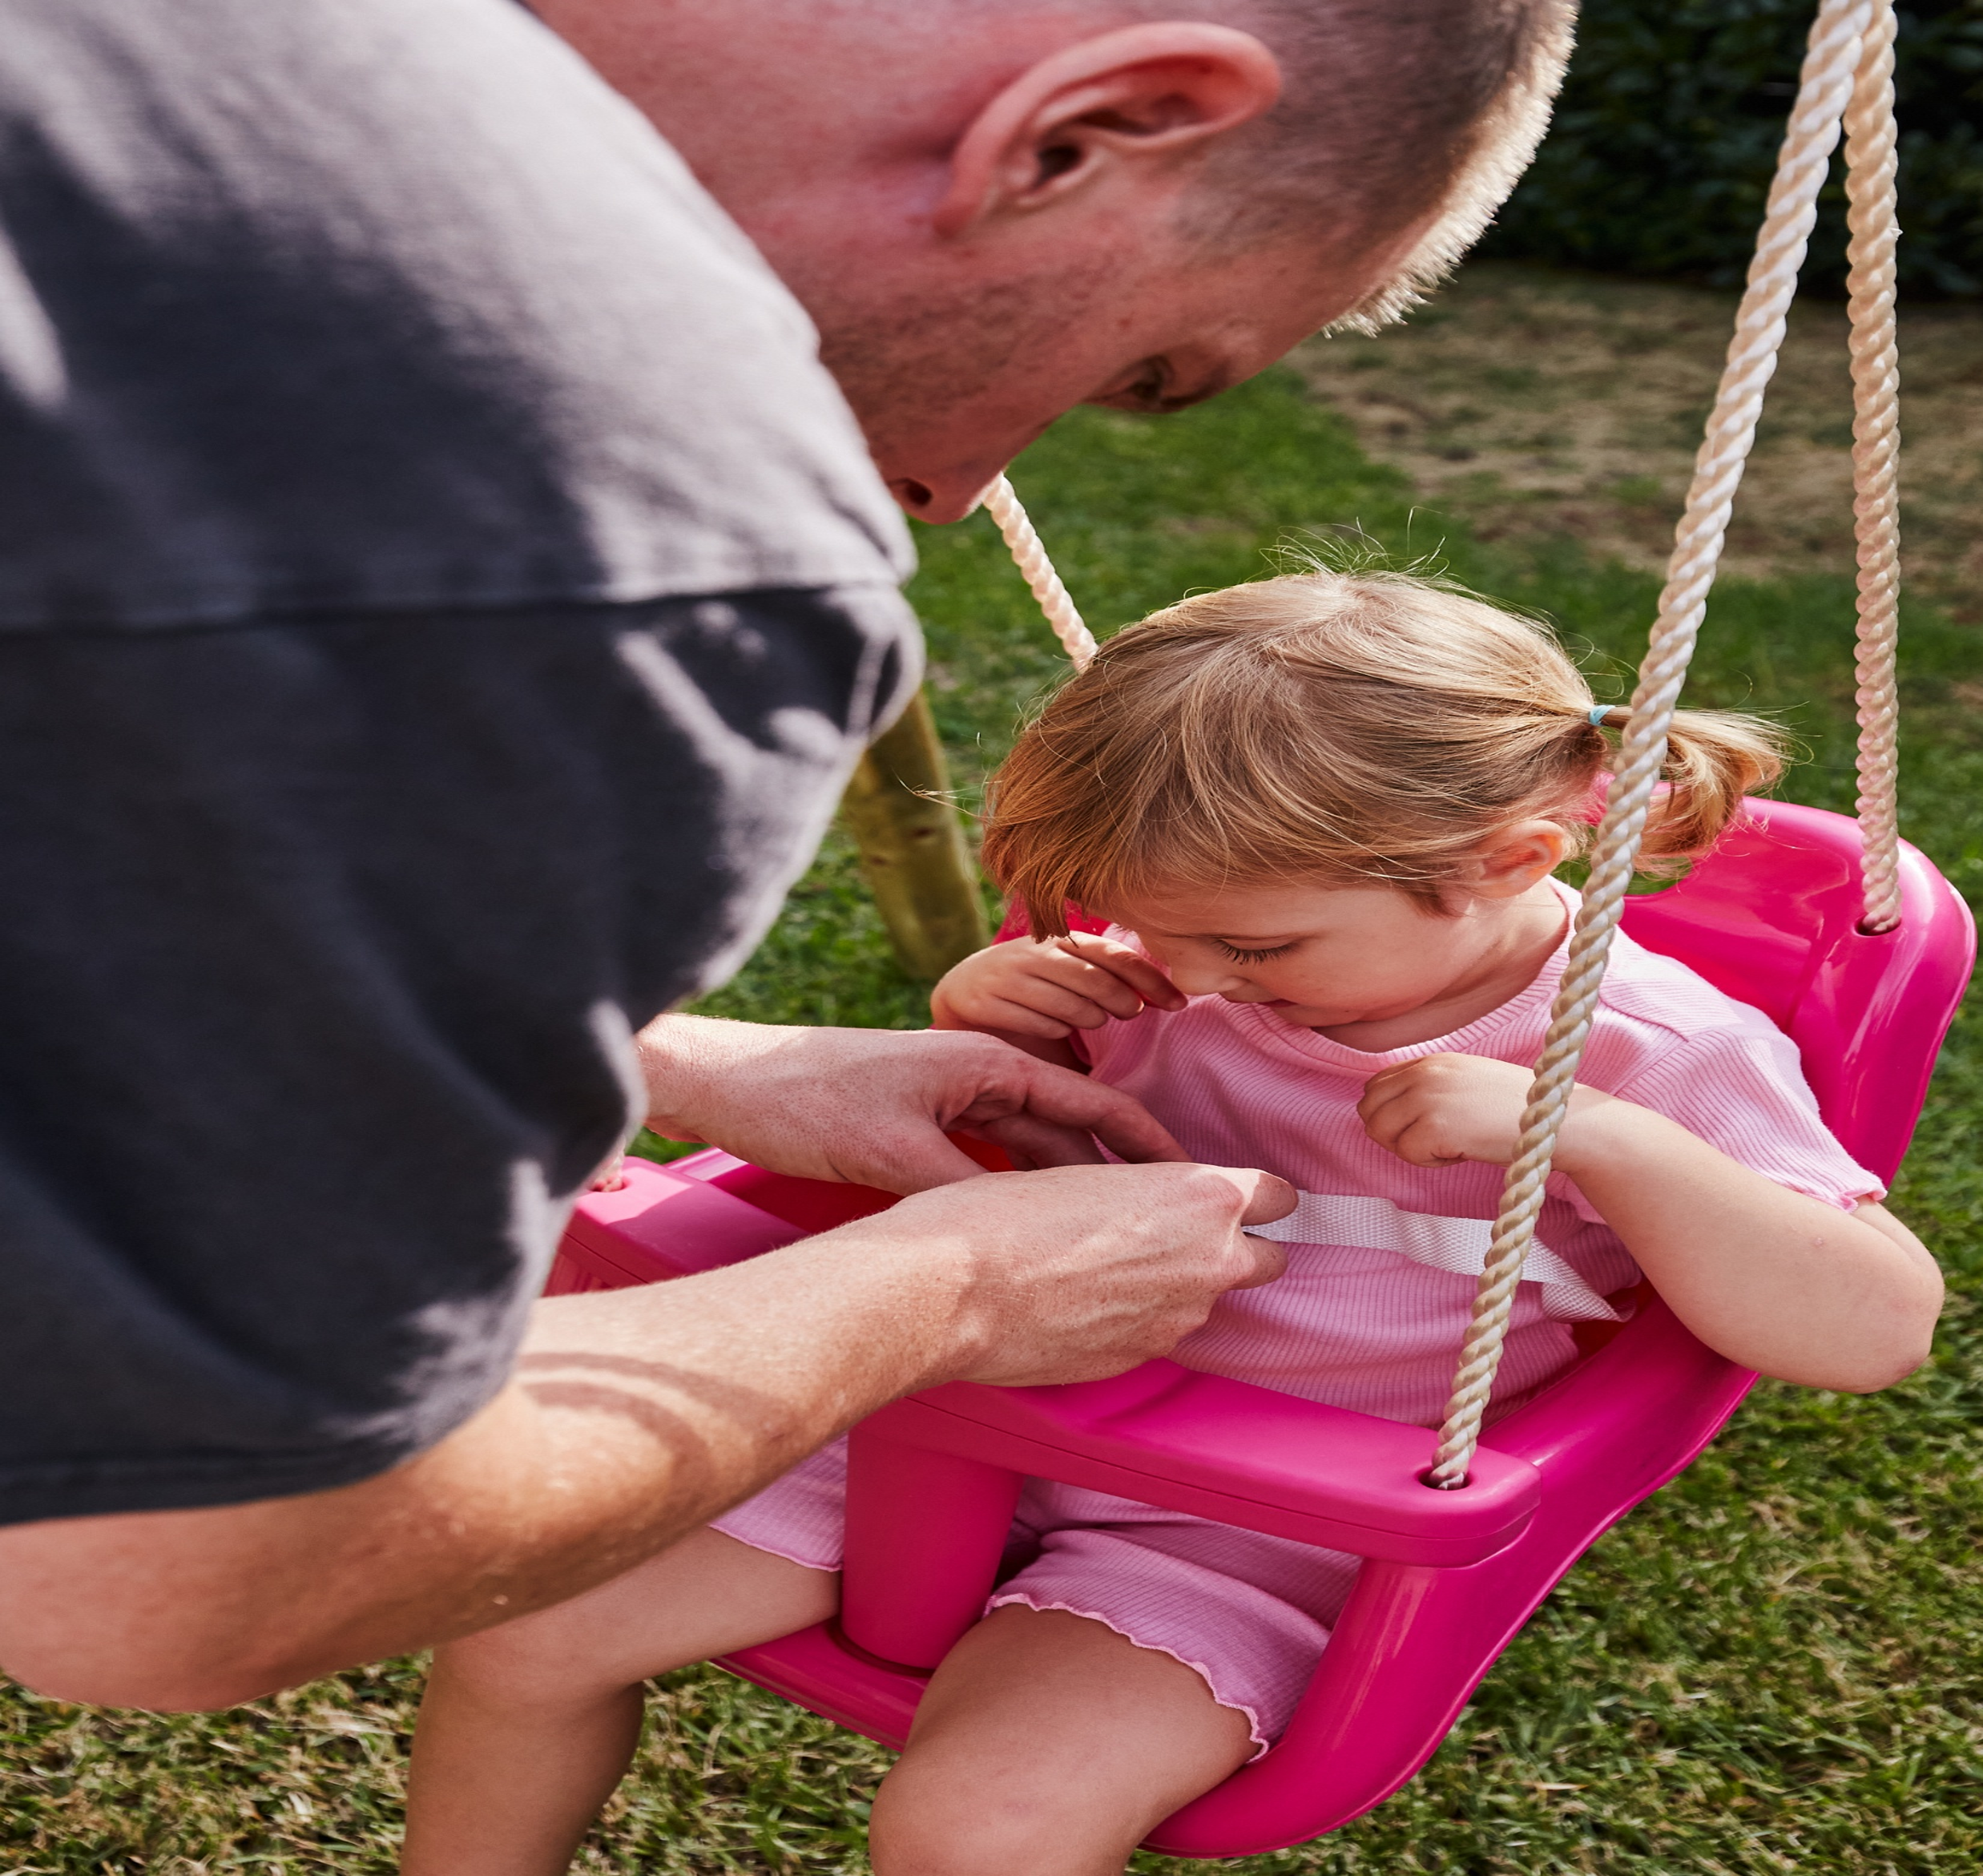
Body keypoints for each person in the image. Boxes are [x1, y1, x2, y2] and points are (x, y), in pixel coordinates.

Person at [0, 0, 1577, 1709]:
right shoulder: (615, 543)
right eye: (1148, 372)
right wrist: (943, 1290)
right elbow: (170, 1560)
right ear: (1095, 129)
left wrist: (687, 1061)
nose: (950, 493)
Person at [399, 567, 1941, 1876]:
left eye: (1251, 949)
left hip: (1242, 1530)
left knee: (979, 1828)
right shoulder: (1179, 965)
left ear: (1507, 864)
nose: (1192, 982)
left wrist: (1591, 1136)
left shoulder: (1650, 1054)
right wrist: (999, 1026)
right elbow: (1024, 1143)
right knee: (525, 1627)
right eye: (1152, 930)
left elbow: (1871, 1327)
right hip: (942, 1406)